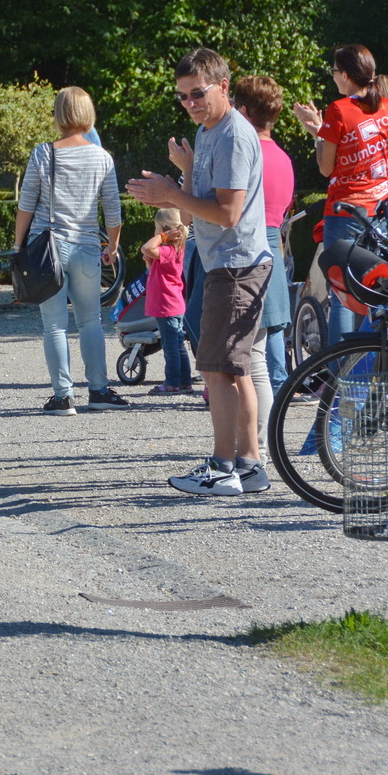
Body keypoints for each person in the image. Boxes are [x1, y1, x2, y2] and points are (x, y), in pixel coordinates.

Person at [129, 47, 273, 497]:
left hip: (236, 268)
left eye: (197, 93)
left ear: (223, 87)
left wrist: (171, 192)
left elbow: (227, 213)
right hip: (229, 265)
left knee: (216, 371)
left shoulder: (232, 135)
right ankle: (249, 466)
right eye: (182, 97)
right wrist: (186, 174)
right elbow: (193, 218)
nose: (189, 102)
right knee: (236, 370)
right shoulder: (209, 130)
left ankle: (222, 467)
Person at [14, 87, 127, 415]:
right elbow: (113, 210)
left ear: (58, 115)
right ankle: (99, 390)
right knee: (91, 319)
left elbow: (26, 204)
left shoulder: (43, 153)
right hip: (87, 246)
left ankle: (63, 396)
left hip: (48, 248)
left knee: (54, 324)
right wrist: (114, 246)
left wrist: (19, 245)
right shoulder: (101, 157)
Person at [290, 44, 388, 341]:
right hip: (380, 209)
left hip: (345, 210)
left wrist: (318, 137)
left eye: (334, 72)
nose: (333, 77)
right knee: (374, 284)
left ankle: (338, 374)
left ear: (346, 75)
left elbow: (326, 168)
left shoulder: (338, 110)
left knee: (341, 290)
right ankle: (372, 362)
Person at [231, 75, 295, 398]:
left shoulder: (245, 153)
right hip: (275, 245)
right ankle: (281, 384)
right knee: (271, 327)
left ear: (243, 111)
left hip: (247, 245)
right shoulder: (284, 159)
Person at [141, 209, 192, 396]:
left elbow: (146, 248)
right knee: (178, 344)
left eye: (157, 228)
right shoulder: (175, 250)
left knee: (170, 347)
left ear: (165, 229)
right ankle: (184, 381)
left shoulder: (168, 250)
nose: (155, 232)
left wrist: (162, 237)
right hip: (174, 304)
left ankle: (172, 383)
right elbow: (150, 259)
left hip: (166, 305)